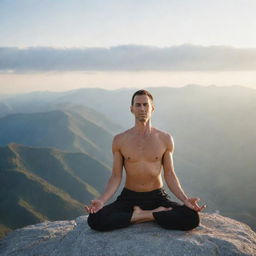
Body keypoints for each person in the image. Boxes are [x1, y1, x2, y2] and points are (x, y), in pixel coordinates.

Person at [85, 89, 206, 231]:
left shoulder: (165, 139)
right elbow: (116, 176)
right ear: (132, 109)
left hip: (157, 197)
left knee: (192, 218)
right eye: (138, 105)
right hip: (129, 197)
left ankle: (139, 216)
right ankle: (151, 215)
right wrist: (101, 201)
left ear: (152, 108)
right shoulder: (120, 140)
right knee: (95, 219)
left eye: (145, 105)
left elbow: (169, 174)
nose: (142, 109)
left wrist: (185, 200)